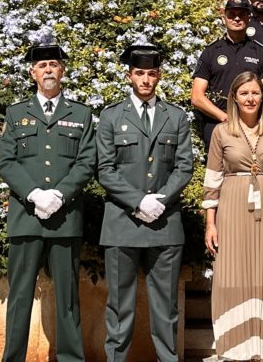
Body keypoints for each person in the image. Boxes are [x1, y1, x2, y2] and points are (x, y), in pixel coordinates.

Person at [0, 44, 97, 362]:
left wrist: (60, 194)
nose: (49, 70)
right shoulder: (16, 114)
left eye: (54, 64)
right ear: (33, 73)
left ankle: (70, 358)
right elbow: (6, 162)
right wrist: (34, 194)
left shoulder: (80, 115)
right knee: (20, 296)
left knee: (67, 297)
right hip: (26, 217)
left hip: (65, 217)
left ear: (63, 71)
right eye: (43, 66)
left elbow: (87, 161)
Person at [96, 44, 194, 362]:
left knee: (165, 307)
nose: (146, 80)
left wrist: (160, 200)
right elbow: (105, 170)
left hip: (164, 223)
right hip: (122, 223)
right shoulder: (111, 117)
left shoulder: (176, 117)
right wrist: (139, 201)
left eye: (152, 74)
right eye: (140, 73)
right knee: (120, 306)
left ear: (159, 77)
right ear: (130, 76)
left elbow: (184, 167)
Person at [203, 71, 263, 362]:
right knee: (231, 272)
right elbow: (212, 179)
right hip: (232, 205)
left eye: (255, 93)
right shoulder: (221, 132)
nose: (250, 98)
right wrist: (210, 223)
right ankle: (234, 349)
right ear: (234, 97)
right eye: (244, 93)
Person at [191, 0, 263, 147]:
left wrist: (247, 120)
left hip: (252, 125)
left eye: (241, 14)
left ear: (249, 18)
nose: (236, 18)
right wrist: (225, 118)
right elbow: (197, 97)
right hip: (218, 122)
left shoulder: (261, 53)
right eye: (231, 14)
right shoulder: (210, 52)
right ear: (224, 18)